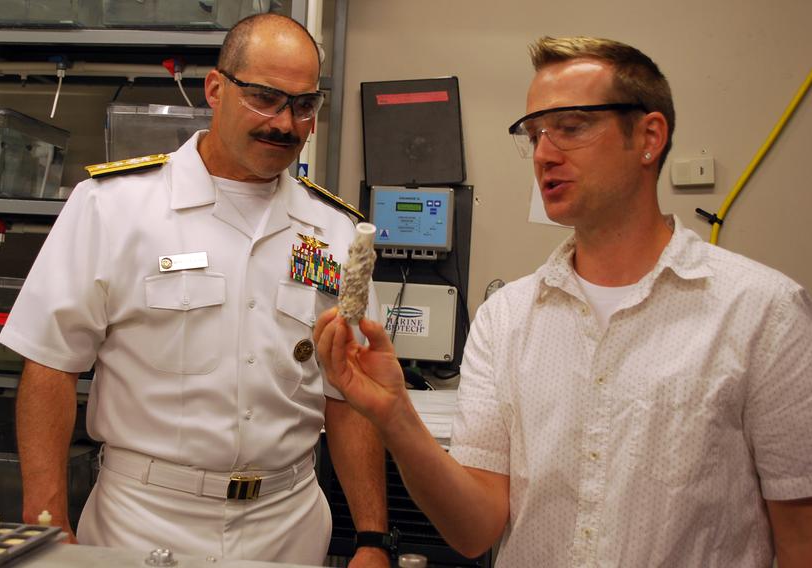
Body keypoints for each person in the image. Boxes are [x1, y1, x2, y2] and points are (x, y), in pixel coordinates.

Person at [314, 36, 812, 567]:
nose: (545, 154)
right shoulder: (506, 319)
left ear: (649, 137)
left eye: (571, 128)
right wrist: (395, 416)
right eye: (534, 134)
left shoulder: (763, 312)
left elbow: (801, 540)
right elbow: (473, 530)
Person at [0, 14, 390, 566]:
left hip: (288, 524)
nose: (285, 123)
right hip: (143, 518)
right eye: (264, 98)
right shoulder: (113, 206)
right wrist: (46, 523)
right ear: (215, 88)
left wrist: (372, 538)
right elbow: (50, 364)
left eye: (304, 105)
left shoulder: (336, 232)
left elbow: (349, 395)